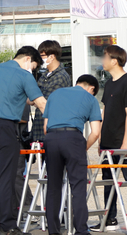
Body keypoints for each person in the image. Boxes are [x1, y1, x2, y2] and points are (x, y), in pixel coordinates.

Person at [0, 46, 47, 235]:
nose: (32, 71)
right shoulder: (24, 75)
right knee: (6, 178)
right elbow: (41, 103)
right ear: (27, 59)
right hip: (5, 129)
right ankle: (8, 225)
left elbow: (0, 96)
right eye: (33, 67)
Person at [90, 45, 127, 234]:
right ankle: (109, 218)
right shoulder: (109, 83)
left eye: (105, 57)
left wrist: (126, 142)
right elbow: (105, 111)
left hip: (122, 142)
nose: (103, 61)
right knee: (108, 181)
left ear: (114, 60)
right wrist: (100, 140)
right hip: (107, 141)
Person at [43, 75, 102, 235]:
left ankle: (53, 231)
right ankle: (81, 230)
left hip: (51, 138)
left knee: (53, 187)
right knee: (78, 187)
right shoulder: (90, 99)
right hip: (73, 138)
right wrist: (82, 147)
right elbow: (95, 132)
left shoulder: (55, 94)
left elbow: (46, 126)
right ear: (92, 89)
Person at [31, 40, 72, 143]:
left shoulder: (61, 76)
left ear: (52, 57)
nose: (40, 59)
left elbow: (48, 101)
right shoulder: (44, 75)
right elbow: (35, 98)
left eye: (43, 56)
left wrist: (35, 99)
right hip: (38, 127)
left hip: (52, 129)